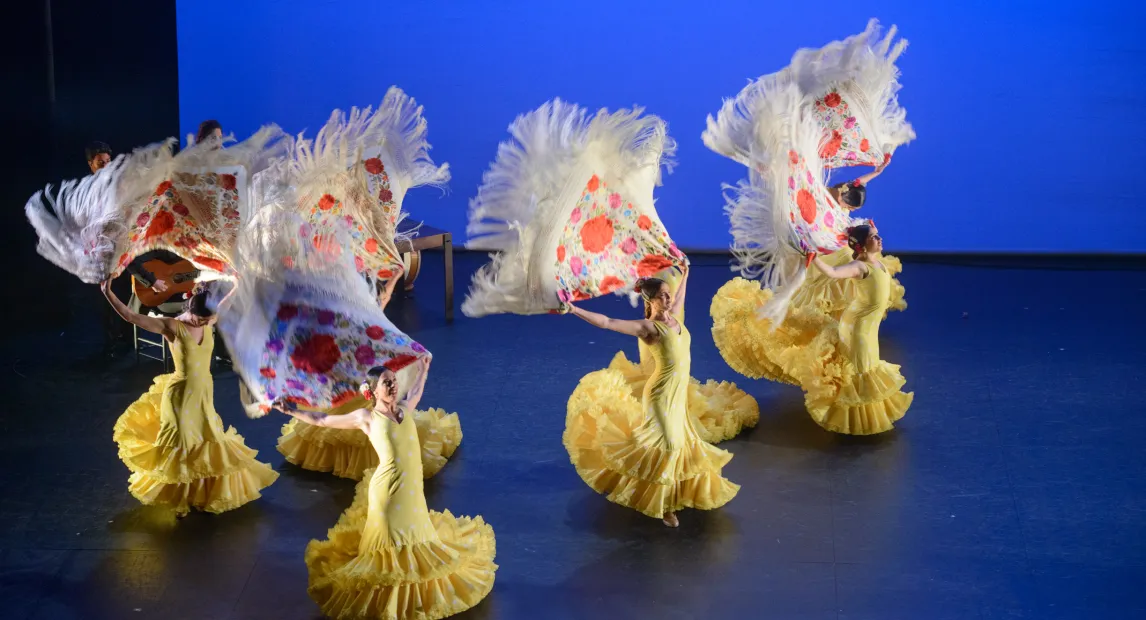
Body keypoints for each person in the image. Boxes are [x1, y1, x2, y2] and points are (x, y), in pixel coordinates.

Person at [282, 358, 496, 620]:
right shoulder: (366, 418)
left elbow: (416, 390)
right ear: (372, 391)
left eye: (394, 381)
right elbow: (323, 420)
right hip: (388, 490)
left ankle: (410, 597)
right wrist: (292, 410)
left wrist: (425, 368)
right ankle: (388, 603)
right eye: (387, 383)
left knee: (416, 535)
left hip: (411, 490)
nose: (394, 386)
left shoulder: (405, 408)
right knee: (390, 545)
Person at [562, 266, 739, 527]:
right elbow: (607, 322)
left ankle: (678, 494)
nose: (668, 299)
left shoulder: (675, 317)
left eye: (669, 295)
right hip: (660, 394)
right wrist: (574, 309)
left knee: (683, 443)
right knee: (667, 445)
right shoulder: (649, 328)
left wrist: (687, 274)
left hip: (678, 395)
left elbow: (680, 297)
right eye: (663, 296)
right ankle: (664, 506)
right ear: (650, 300)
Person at [711, 225, 913, 434]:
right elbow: (833, 272)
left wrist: (869, 230)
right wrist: (814, 258)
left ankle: (867, 415)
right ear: (861, 246)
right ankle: (854, 419)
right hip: (857, 326)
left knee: (868, 363)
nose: (879, 239)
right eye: (874, 237)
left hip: (869, 325)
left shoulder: (876, 262)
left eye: (878, 236)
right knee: (859, 366)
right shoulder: (859, 267)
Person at [102, 280, 278, 515]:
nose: (207, 323)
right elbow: (131, 317)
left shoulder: (209, 319)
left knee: (206, 442)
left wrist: (237, 282)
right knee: (182, 444)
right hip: (181, 395)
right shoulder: (172, 326)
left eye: (209, 320)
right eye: (202, 319)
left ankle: (201, 493)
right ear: (191, 311)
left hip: (204, 393)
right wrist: (108, 292)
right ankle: (179, 497)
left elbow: (226, 304)